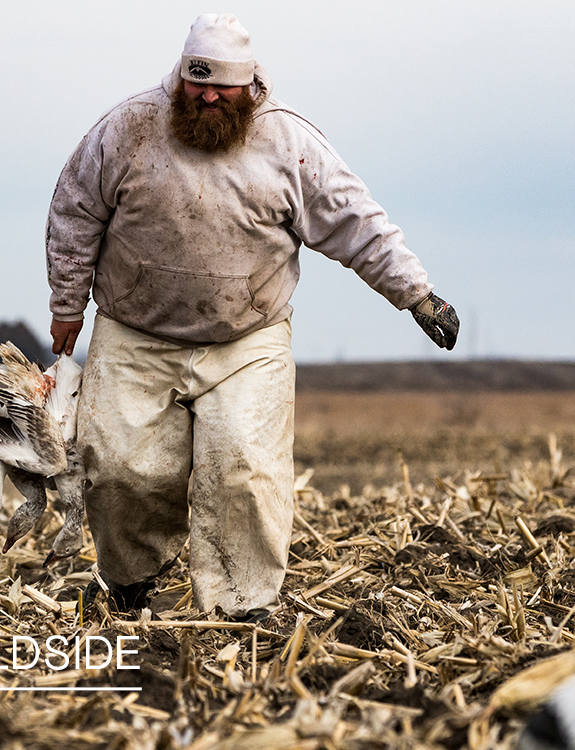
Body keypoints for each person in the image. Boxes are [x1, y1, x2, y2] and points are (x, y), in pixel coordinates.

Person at [46, 14, 458, 622]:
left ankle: (242, 609)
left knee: (244, 470)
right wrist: (66, 307)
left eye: (223, 87)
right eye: (197, 81)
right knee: (119, 469)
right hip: (134, 333)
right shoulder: (127, 128)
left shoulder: (290, 143)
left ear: (251, 84)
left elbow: (355, 222)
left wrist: (417, 294)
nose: (208, 96)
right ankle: (132, 582)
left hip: (248, 339)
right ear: (181, 74)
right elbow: (74, 213)